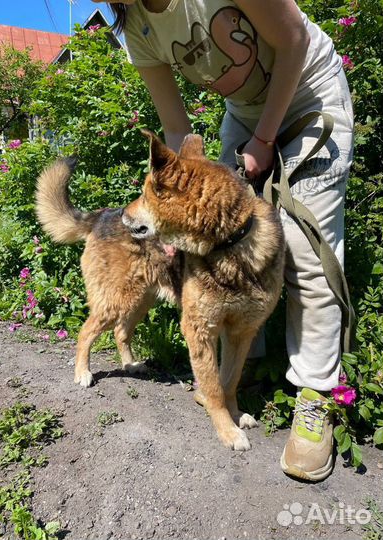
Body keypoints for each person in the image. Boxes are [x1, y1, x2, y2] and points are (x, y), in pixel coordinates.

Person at [92, 0, 354, 481]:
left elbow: (293, 37)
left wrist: (267, 138)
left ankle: (316, 398)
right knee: (221, 242)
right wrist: (174, 225)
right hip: (245, 112)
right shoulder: (137, 25)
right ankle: (232, 379)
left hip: (308, 92)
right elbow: (176, 132)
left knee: (304, 255)